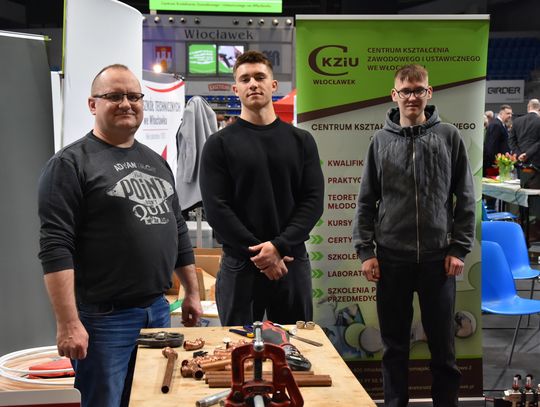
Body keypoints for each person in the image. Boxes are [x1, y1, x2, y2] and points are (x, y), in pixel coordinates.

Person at [38, 64, 202, 407]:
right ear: (92, 104)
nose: (126, 103)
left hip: (157, 311)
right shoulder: (70, 164)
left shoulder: (156, 162)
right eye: (114, 96)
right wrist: (68, 323)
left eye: (134, 96)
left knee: (151, 400)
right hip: (104, 320)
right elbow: (56, 246)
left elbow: (177, 228)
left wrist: (192, 292)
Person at [353, 64, 475, 407]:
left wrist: (459, 249)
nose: (411, 97)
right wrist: (366, 252)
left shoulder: (449, 136)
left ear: (428, 93)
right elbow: (366, 200)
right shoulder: (380, 141)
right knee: (394, 348)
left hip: (438, 260)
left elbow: (465, 197)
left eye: (418, 89)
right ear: (394, 95)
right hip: (391, 260)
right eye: (405, 91)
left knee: (443, 348)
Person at [199, 51, 324, 326]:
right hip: (241, 265)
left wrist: (279, 246)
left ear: (273, 85)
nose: (253, 84)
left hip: (290, 260)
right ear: (236, 89)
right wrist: (262, 255)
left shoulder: (301, 141)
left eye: (259, 77)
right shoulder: (218, 145)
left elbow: (313, 201)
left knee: (295, 345)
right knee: (238, 345)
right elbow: (217, 209)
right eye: (245, 79)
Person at [508, 98, 540, 188]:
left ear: (528, 107)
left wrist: (519, 154)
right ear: (539, 108)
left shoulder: (517, 121)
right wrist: (527, 154)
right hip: (536, 163)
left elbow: (511, 140)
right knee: (535, 192)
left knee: (521, 189)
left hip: (521, 162)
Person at [483, 104, 513, 176]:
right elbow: (491, 145)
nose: (510, 116)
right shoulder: (496, 125)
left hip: (500, 163)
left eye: (511, 114)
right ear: (501, 113)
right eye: (508, 113)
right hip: (494, 164)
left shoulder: (502, 125)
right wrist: (494, 162)